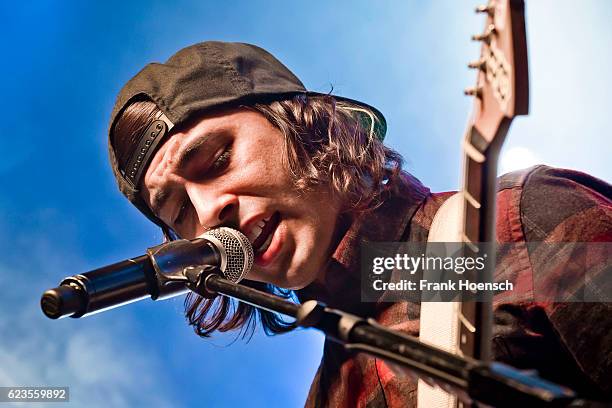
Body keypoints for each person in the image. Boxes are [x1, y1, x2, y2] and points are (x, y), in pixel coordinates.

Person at [107, 41, 611, 406]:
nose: (209, 211)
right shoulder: (329, 398)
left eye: (217, 159)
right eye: (180, 213)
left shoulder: (513, 225)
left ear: (306, 127)